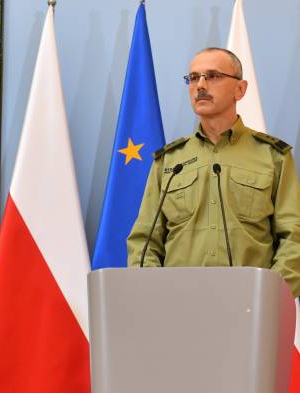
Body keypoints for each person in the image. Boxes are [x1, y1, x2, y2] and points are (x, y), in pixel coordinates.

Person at [127, 47, 300, 297]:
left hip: (249, 303)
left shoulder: (273, 157)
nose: (200, 85)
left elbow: (293, 238)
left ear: (240, 89)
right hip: (178, 301)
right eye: (193, 78)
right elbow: (145, 240)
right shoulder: (170, 161)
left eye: (213, 76)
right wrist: (156, 294)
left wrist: (270, 296)